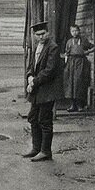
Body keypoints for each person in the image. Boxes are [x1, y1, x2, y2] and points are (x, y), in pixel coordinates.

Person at [23, 21, 62, 161]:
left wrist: (34, 81)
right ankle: (36, 148)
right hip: (37, 90)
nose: (40, 37)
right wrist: (29, 77)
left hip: (47, 90)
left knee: (44, 120)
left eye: (43, 34)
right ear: (34, 35)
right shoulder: (36, 47)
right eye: (37, 34)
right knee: (33, 118)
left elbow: (49, 71)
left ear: (48, 33)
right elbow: (31, 66)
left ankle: (46, 151)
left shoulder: (53, 47)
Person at [63, 23, 93, 113]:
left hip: (81, 62)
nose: (74, 33)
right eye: (72, 31)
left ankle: (80, 105)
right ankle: (73, 105)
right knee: (71, 83)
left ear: (79, 31)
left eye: (76, 30)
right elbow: (66, 53)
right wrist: (65, 59)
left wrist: (87, 52)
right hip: (71, 63)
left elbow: (94, 47)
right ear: (70, 32)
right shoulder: (69, 42)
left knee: (79, 82)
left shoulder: (83, 40)